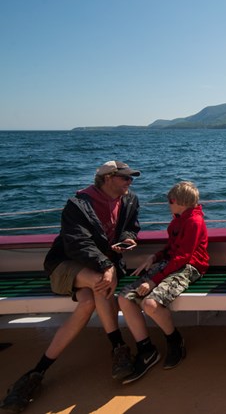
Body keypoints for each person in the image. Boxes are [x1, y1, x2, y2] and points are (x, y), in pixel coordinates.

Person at [1, 161, 141, 413]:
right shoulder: (78, 205)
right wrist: (106, 264)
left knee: (88, 302)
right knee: (103, 281)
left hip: (99, 266)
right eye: (125, 178)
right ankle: (118, 347)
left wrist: (127, 239)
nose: (130, 183)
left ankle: (37, 372)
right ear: (108, 178)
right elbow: (77, 243)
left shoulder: (129, 200)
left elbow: (131, 227)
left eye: (130, 179)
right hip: (66, 265)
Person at [118, 181, 209, 384]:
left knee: (150, 304)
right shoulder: (179, 219)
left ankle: (174, 340)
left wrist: (152, 282)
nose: (168, 204)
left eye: (170, 201)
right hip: (172, 263)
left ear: (179, 203)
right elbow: (172, 249)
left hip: (190, 267)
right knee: (124, 298)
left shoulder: (194, 222)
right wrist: (155, 257)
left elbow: (184, 257)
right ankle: (146, 349)